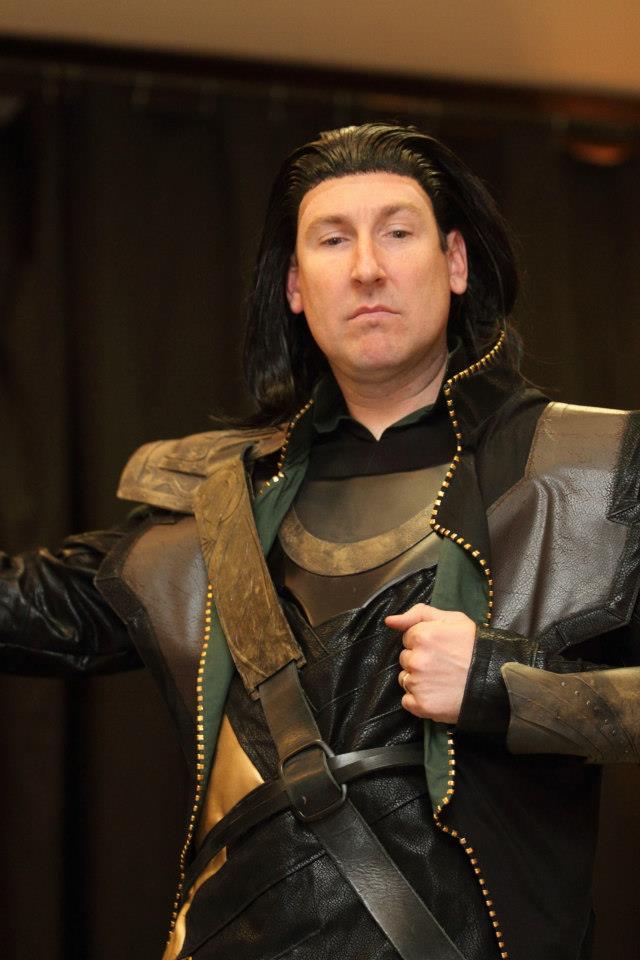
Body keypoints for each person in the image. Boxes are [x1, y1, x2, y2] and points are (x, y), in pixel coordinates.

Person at [1, 122, 639, 960]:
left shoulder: (590, 471)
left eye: (397, 232)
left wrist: (501, 684)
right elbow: (26, 609)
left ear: (454, 262)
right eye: (333, 240)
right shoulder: (221, 509)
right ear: (297, 286)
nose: (367, 267)